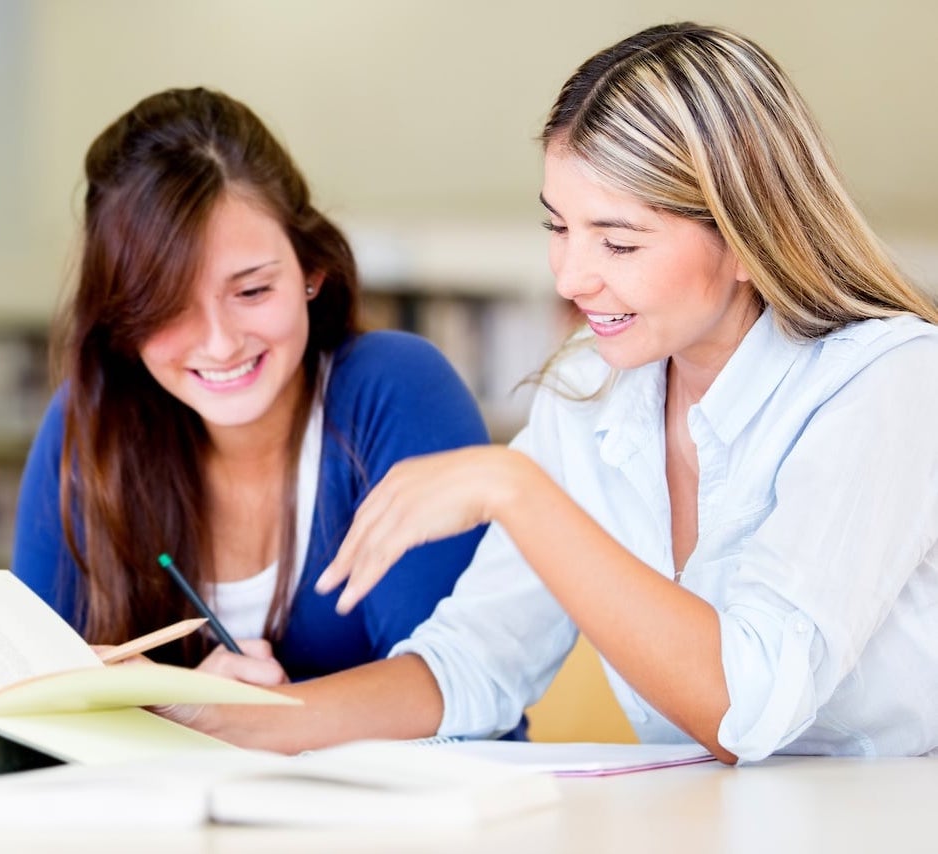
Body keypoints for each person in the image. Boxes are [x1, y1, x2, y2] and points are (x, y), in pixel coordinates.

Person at [163, 23, 938, 761]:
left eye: (617, 242)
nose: (570, 278)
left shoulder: (886, 381)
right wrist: (231, 721)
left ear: (746, 239)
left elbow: (747, 707)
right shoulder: (590, 383)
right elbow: (474, 665)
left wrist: (516, 490)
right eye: (558, 228)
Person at [11, 87, 492, 691]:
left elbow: (458, 692)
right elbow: (35, 691)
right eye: (167, 307)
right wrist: (192, 704)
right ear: (120, 318)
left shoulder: (395, 390)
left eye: (252, 291)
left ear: (312, 270)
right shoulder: (89, 425)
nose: (219, 344)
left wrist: (248, 721)